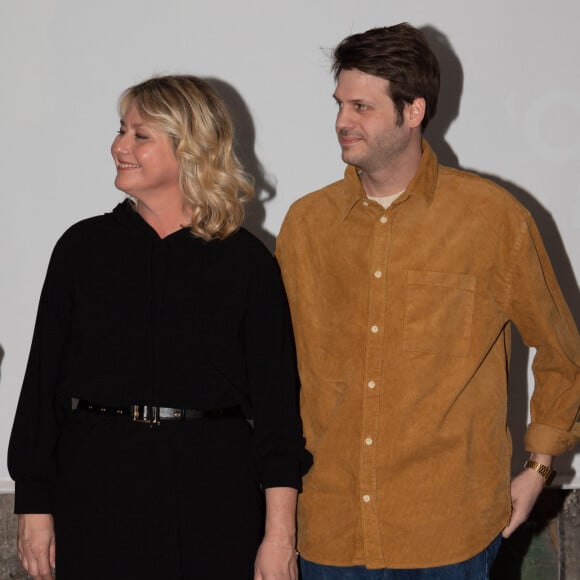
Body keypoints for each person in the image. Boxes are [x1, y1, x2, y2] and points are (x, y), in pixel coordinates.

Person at [275, 23, 580, 579]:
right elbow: (275, 372)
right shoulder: (306, 226)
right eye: (340, 104)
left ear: (412, 111)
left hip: (449, 533)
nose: (343, 121)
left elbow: (563, 350)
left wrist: (539, 465)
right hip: (330, 533)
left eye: (362, 106)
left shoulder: (491, 220)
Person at [8, 74, 312, 580]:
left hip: (215, 498)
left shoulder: (247, 263)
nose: (119, 146)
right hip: (95, 491)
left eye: (140, 135)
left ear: (190, 149)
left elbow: (279, 414)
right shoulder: (81, 250)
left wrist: (279, 536)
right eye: (121, 130)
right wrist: (33, 507)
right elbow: (42, 388)